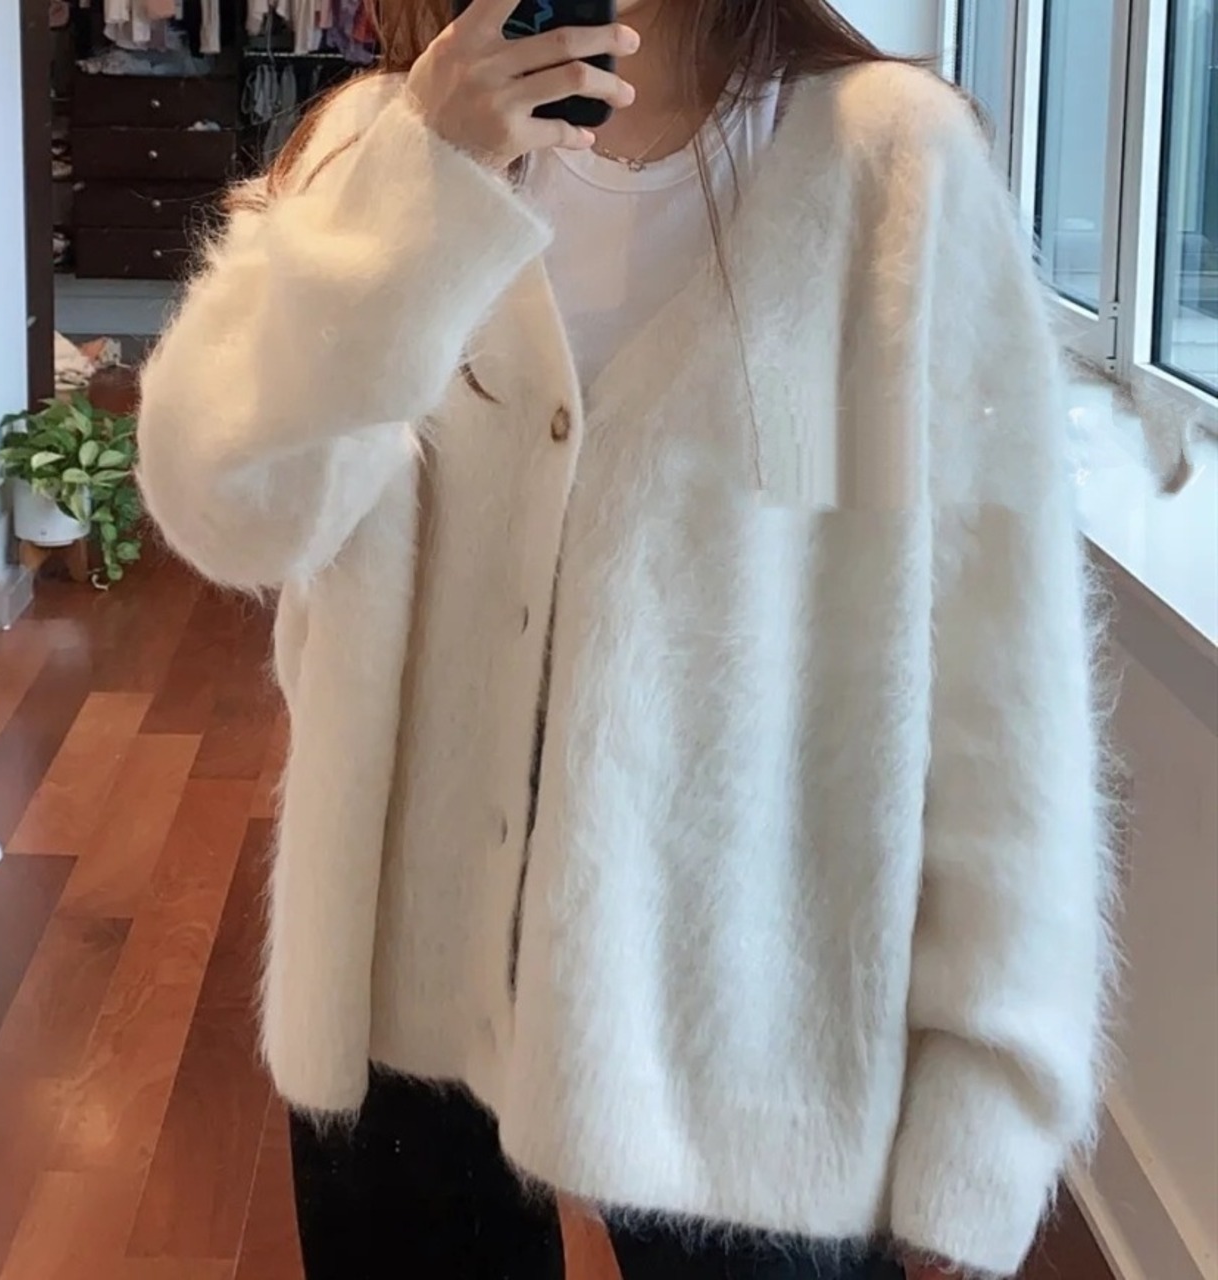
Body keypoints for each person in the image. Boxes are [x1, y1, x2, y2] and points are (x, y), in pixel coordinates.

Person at [137, 0, 1113, 1276]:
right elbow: (227, 511)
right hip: (401, 997)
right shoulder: (376, 149)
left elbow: (993, 668)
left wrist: (987, 1098)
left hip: (750, 1029)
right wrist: (423, 182)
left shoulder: (882, 169)